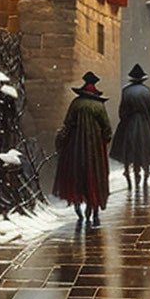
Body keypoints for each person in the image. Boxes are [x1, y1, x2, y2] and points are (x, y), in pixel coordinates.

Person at [53, 71, 111, 226]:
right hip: (94, 150)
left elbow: (68, 123)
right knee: (95, 177)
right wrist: (104, 141)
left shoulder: (76, 104)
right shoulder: (99, 106)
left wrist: (62, 142)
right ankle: (94, 210)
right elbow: (107, 129)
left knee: (77, 176)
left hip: (76, 147)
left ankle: (78, 206)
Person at [110, 63, 150, 187]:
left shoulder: (126, 91)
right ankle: (146, 172)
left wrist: (125, 121)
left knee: (128, 148)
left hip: (130, 122)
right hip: (144, 123)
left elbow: (122, 110)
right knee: (145, 147)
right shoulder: (146, 91)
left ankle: (127, 171)